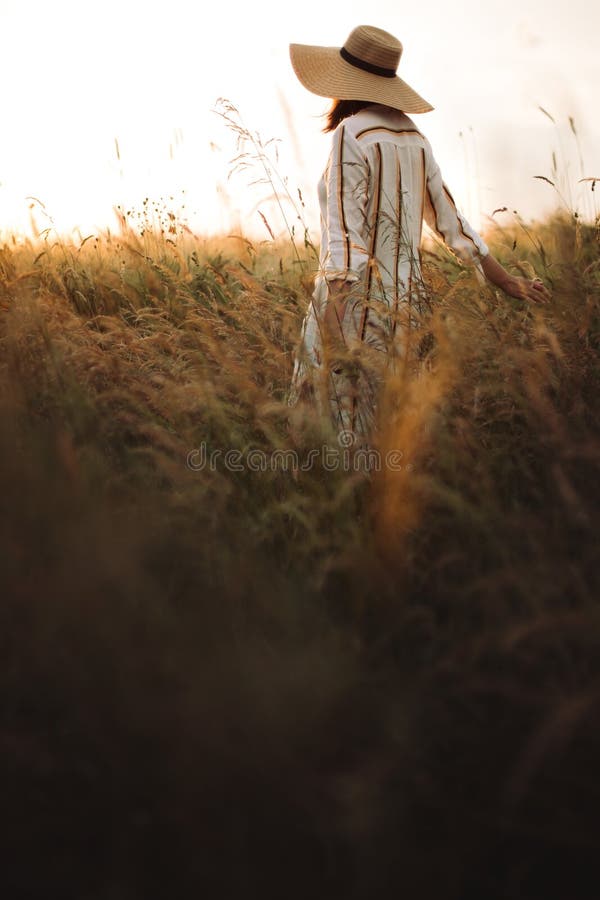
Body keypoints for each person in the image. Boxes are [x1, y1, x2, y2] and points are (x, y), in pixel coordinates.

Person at [286, 24, 550, 442]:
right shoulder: (415, 137)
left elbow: (345, 242)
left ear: (345, 82)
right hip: (407, 311)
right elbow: (452, 222)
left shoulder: (349, 134)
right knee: (391, 428)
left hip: (353, 307)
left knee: (342, 429)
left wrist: (335, 337)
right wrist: (506, 280)